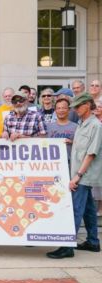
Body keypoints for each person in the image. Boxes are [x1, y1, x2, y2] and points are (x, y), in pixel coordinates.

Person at [47, 93, 102, 259]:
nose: (76, 109)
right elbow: (81, 146)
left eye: (78, 106)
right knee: (88, 209)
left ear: (87, 105)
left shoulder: (96, 126)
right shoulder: (82, 123)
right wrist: (71, 142)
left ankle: (67, 246)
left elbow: (91, 153)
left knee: (75, 210)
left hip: (84, 174)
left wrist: (77, 176)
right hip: (79, 172)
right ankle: (93, 241)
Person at [46, 98, 77, 165]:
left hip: (70, 163)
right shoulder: (48, 127)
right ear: (55, 111)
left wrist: (72, 142)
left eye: (64, 108)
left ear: (69, 110)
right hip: (52, 163)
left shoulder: (76, 127)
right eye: (58, 108)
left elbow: (82, 145)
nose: (61, 110)